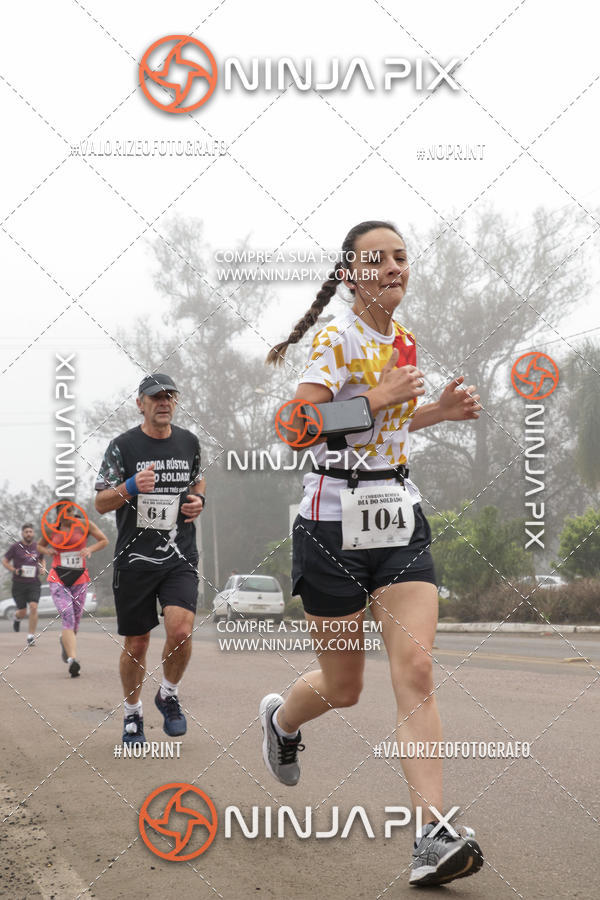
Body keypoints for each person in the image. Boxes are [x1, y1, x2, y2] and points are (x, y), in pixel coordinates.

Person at [260, 221, 484, 887]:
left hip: (397, 516)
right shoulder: (337, 336)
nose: (393, 266)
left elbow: (386, 426)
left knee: (415, 668)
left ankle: (430, 836)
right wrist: (378, 396)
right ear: (352, 274)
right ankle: (281, 720)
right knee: (345, 687)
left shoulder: (403, 339)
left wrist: (436, 412)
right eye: (377, 259)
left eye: (402, 257)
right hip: (331, 523)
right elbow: (297, 428)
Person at [94, 373, 205, 747]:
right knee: (137, 643)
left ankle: (169, 694)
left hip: (179, 555)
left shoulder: (189, 442)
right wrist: (129, 487)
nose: (164, 402)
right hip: (135, 560)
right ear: (140, 403)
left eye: (170, 396)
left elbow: (198, 481)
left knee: (181, 631)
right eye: (155, 396)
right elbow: (100, 501)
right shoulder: (122, 447)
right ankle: (132, 714)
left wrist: (198, 501)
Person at [38, 506, 108, 676]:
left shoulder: (84, 525)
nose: (72, 515)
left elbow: (103, 540)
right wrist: (47, 551)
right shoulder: (51, 529)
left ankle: (65, 642)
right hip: (58, 576)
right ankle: (72, 660)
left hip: (80, 577)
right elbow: (39, 546)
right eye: (67, 512)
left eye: (72, 512)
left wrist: (89, 549)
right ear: (60, 515)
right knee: (67, 613)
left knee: (75, 620)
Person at [3, 523, 44, 646]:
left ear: (33, 533)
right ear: (22, 533)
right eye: (26, 532)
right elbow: (5, 561)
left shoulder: (38, 547)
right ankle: (17, 618)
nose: (28, 534)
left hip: (34, 583)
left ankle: (31, 636)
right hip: (19, 584)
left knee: (33, 607)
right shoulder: (15, 547)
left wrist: (42, 567)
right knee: (22, 611)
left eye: (30, 532)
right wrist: (14, 570)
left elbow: (42, 559)